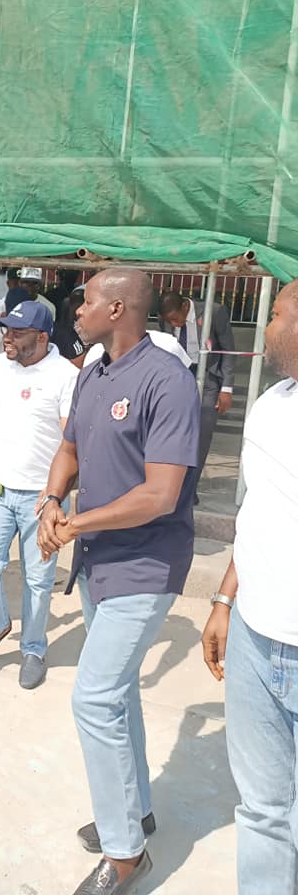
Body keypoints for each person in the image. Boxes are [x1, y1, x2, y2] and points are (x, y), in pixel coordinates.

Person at [38, 268, 200, 895]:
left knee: (94, 697)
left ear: (116, 309)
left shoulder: (168, 380)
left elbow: (161, 495)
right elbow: (70, 450)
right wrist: (52, 500)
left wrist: (75, 523)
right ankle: (135, 811)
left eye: (85, 301)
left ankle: (127, 853)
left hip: (146, 563)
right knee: (120, 691)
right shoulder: (92, 372)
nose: (75, 311)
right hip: (97, 561)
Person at [201, 279, 298, 895]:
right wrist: (224, 599)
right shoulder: (271, 405)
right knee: (262, 810)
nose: (266, 326)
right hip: (253, 641)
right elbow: (258, 514)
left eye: (278, 314)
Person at [0, 300, 78, 690]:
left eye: (17, 332)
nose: (6, 338)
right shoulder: (0, 366)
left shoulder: (66, 375)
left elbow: (70, 440)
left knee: (38, 580)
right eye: (5, 330)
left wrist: (56, 494)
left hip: (41, 498)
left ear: (42, 337)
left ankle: (33, 649)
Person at [158, 290, 236, 493]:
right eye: (168, 321)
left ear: (185, 306)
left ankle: (190, 489)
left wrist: (226, 388)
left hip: (208, 376)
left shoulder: (214, 312)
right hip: (178, 376)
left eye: (175, 319)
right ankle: (172, 484)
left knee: (202, 430)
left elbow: (228, 350)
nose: (173, 324)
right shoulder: (166, 319)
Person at [82, 329, 192, 368]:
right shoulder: (96, 352)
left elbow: (186, 374)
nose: (80, 310)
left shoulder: (167, 343)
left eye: (89, 303)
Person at [50, 288, 86, 367]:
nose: (78, 310)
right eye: (74, 305)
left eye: (80, 305)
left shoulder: (94, 324)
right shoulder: (62, 331)